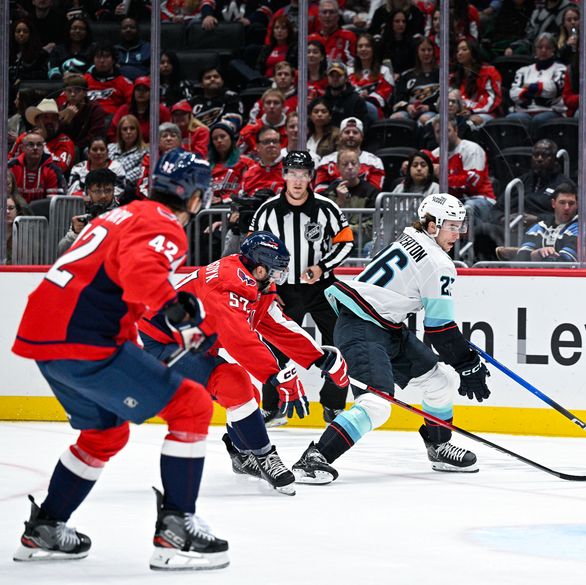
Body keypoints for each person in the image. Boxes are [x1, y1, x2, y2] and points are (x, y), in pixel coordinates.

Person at [11, 150, 230, 569]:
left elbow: (114, 289)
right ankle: (177, 529)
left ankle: (46, 527)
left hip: (45, 336)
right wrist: (183, 319)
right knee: (192, 406)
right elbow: (141, 275)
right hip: (82, 337)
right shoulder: (164, 223)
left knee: (105, 434)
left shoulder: (121, 215)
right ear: (195, 197)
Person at [290, 193, 491, 483]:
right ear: (432, 226)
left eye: (460, 226)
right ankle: (314, 457)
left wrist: (463, 363)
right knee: (376, 404)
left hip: (385, 326)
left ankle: (438, 447)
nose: (458, 234)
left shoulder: (411, 236)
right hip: (362, 328)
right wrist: (468, 363)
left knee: (441, 381)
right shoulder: (438, 262)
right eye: (451, 226)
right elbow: (440, 330)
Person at [138, 231, 350, 494]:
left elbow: (275, 323)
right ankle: (264, 457)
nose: (278, 279)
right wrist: (277, 375)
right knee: (234, 382)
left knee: (248, 394)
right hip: (162, 344)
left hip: (191, 341)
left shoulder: (253, 280)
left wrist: (318, 357)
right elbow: (238, 339)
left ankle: (241, 455)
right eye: (276, 272)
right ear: (260, 269)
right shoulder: (228, 284)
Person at [250, 151, 354, 424]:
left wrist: (322, 267)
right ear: (284, 175)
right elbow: (252, 251)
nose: (297, 180)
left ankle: (333, 405)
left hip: (322, 289)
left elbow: (345, 241)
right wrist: (268, 286)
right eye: (293, 174)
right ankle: (272, 407)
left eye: (303, 174)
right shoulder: (267, 211)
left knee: (339, 343)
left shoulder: (327, 208)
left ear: (311, 177)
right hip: (282, 293)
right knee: (274, 347)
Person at [507, 32, 567, 131]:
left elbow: (552, 90)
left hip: (550, 111)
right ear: (535, 50)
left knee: (538, 120)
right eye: (540, 47)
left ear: (554, 50)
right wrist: (537, 90)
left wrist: (528, 87)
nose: (543, 50)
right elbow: (513, 93)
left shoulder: (560, 69)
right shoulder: (523, 71)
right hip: (524, 111)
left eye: (548, 48)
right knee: (511, 119)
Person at [513, 182, 583, 262]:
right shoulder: (539, 227)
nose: (567, 207)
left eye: (571, 203)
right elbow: (521, 258)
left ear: (577, 205)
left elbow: (565, 261)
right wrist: (538, 253)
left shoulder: (581, 230)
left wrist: (536, 256)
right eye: (562, 203)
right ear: (553, 203)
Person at [58, 168, 118, 255]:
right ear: (88, 192)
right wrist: (75, 234)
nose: (103, 196)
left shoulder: (123, 215)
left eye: (108, 190)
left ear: (114, 190)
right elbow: (62, 251)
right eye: (97, 191)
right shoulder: (84, 219)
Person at [7, 132, 67, 203]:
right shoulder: (11, 167)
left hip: (44, 210)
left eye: (39, 145)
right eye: (31, 145)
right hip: (15, 209)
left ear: (43, 148)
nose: (35, 148)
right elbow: (5, 196)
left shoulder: (53, 170)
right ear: (22, 148)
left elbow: (54, 202)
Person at [58, 74, 108, 152]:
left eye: (77, 91)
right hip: (66, 146)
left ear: (85, 93)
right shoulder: (61, 108)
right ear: (65, 92)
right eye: (69, 91)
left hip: (87, 147)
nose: (72, 94)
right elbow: (57, 134)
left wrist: (75, 147)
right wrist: (65, 121)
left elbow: (95, 135)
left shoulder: (95, 109)